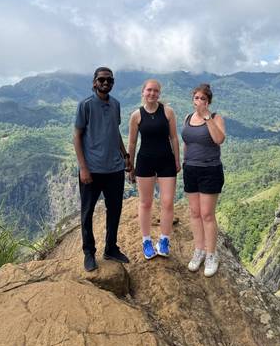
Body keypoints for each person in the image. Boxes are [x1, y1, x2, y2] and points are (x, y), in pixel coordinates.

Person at [73, 67, 133, 272]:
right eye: (102, 80)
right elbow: (77, 136)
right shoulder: (86, 105)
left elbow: (114, 132)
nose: (106, 83)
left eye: (109, 80)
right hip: (92, 170)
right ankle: (89, 253)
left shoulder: (115, 104)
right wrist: (83, 168)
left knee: (115, 210)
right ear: (94, 82)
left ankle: (111, 248)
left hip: (114, 169)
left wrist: (125, 156)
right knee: (87, 213)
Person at [128, 79, 180, 260]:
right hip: (145, 161)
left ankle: (164, 240)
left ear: (159, 94)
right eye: (149, 90)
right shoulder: (136, 115)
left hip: (166, 160)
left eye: (156, 91)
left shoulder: (168, 112)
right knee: (146, 203)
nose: (152, 93)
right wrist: (130, 165)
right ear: (143, 92)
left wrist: (177, 160)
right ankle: (146, 241)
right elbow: (133, 142)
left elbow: (174, 137)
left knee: (167, 202)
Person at [182, 83, 226, 277]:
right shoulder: (187, 118)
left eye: (203, 99)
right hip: (191, 168)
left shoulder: (216, 118)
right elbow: (187, 142)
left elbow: (219, 139)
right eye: (197, 98)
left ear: (208, 102)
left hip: (210, 169)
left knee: (207, 214)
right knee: (194, 212)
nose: (199, 102)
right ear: (193, 100)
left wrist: (207, 118)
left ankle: (211, 254)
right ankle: (199, 250)